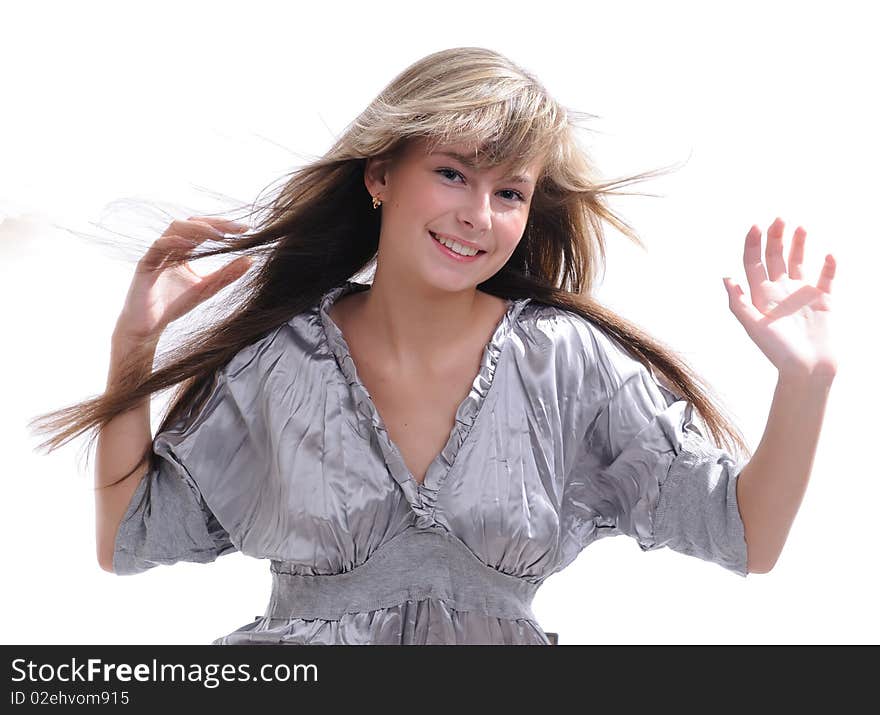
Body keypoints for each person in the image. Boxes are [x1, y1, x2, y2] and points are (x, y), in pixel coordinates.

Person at [30, 47, 837, 645]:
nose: (478, 215)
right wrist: (134, 342)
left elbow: (747, 534)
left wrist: (805, 384)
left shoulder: (565, 363)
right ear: (380, 175)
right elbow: (128, 534)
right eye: (452, 173)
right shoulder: (277, 361)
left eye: (509, 192)